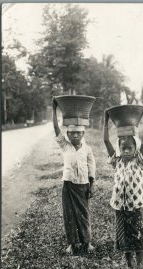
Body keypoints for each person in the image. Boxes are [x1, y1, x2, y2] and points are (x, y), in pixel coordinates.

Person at [103, 107, 143, 269]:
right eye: (123, 148)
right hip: (120, 206)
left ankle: (140, 266)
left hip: (135, 206)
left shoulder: (138, 160)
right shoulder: (117, 161)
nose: (126, 151)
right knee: (123, 237)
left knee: (137, 235)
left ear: (135, 148)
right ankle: (129, 265)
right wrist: (105, 120)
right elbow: (106, 142)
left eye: (129, 148)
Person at [52, 98, 96, 255]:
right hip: (69, 185)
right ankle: (72, 243)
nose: (75, 136)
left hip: (83, 185)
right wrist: (54, 109)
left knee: (84, 215)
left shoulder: (87, 149)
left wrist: (91, 186)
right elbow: (56, 129)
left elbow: (91, 169)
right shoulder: (65, 146)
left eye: (78, 133)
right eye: (71, 133)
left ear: (83, 133)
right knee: (69, 215)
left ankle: (87, 242)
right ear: (68, 134)